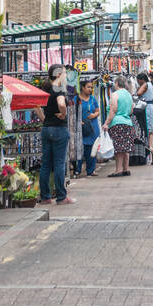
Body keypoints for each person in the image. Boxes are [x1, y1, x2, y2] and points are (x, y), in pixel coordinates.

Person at [36, 64, 75, 205]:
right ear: (58, 75)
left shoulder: (45, 88)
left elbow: (36, 105)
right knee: (59, 163)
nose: (66, 76)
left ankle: (45, 196)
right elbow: (62, 104)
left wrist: (44, 119)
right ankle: (61, 197)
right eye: (64, 73)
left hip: (46, 129)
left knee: (46, 164)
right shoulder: (58, 88)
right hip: (58, 129)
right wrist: (63, 114)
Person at [105, 75, 136, 177]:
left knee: (118, 148)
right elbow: (131, 110)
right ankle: (126, 169)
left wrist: (106, 123)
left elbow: (113, 110)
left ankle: (118, 170)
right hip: (128, 122)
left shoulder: (115, 94)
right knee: (125, 147)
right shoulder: (128, 94)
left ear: (117, 83)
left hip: (117, 123)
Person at [75, 76, 101, 178]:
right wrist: (78, 121)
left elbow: (97, 111)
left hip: (92, 127)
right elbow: (72, 112)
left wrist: (94, 115)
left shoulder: (93, 99)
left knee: (92, 149)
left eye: (91, 87)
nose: (90, 89)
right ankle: (77, 170)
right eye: (88, 87)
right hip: (80, 128)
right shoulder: (76, 99)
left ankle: (91, 170)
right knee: (79, 149)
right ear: (82, 87)